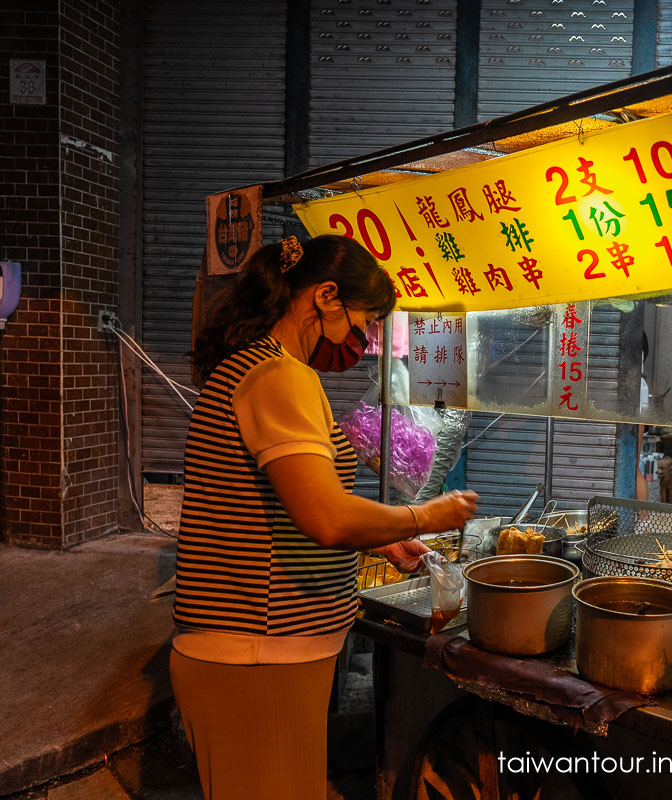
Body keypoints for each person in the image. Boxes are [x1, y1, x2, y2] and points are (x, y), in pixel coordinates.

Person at [175, 234, 479, 799]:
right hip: (257, 651)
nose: (358, 341)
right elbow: (326, 518)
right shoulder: (278, 376)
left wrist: (377, 541)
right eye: (360, 323)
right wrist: (424, 515)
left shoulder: (256, 368)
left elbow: (276, 509)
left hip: (263, 651)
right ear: (326, 296)